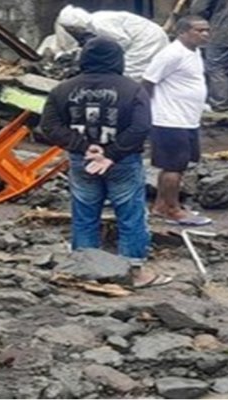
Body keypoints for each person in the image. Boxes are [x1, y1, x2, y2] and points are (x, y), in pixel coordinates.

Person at [41, 38, 166, 287]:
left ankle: (85, 268)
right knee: (130, 213)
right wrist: (111, 154)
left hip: (83, 161)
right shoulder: (132, 89)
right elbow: (141, 127)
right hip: (123, 162)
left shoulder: (62, 89)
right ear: (118, 59)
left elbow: (49, 127)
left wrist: (84, 147)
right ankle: (133, 271)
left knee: (84, 212)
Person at [143, 15, 212, 226]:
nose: (205, 34)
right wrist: (144, 114)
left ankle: (161, 205)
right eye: (199, 31)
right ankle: (173, 210)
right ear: (182, 32)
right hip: (169, 120)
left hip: (188, 119)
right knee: (173, 166)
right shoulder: (171, 54)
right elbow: (148, 83)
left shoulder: (195, 52)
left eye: (207, 30)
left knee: (178, 166)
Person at [54, 5, 169, 81]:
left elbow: (122, 41)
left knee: (130, 72)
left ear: (76, 26)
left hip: (146, 40)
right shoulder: (93, 23)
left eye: (71, 29)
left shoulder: (99, 25)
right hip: (143, 37)